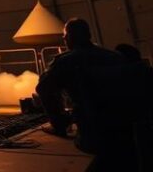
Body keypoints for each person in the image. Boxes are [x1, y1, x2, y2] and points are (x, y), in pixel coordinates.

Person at [36, 18, 140, 171]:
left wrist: (60, 122)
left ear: (69, 37)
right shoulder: (115, 57)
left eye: (65, 36)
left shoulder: (65, 61)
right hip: (129, 132)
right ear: (88, 35)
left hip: (93, 134)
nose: (64, 39)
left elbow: (44, 89)